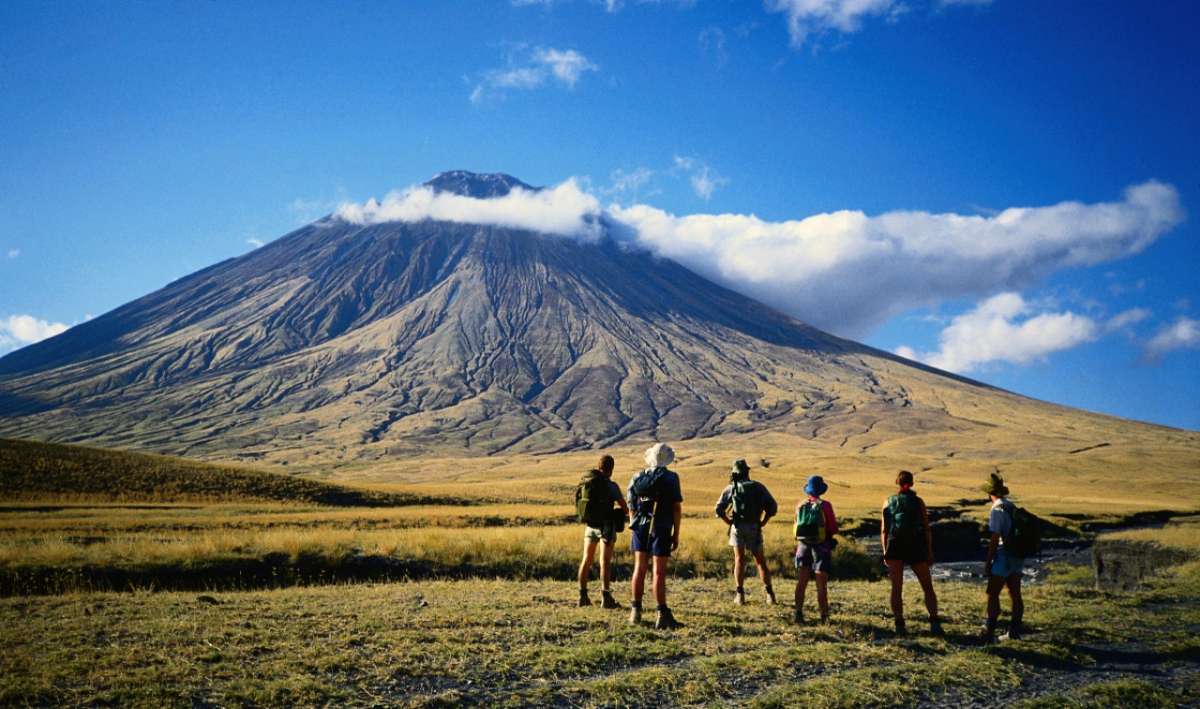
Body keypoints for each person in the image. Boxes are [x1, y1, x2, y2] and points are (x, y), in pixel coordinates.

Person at [628, 442, 684, 630]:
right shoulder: (671, 478)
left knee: (639, 568)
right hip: (661, 528)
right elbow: (676, 508)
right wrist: (676, 534)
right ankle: (661, 614)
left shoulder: (637, 477)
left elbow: (631, 505)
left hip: (640, 528)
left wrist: (636, 525)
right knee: (658, 572)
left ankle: (635, 612)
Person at [881, 470, 944, 636]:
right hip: (915, 544)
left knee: (896, 587)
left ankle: (899, 624)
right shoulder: (918, 502)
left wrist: (885, 551)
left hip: (895, 544)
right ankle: (934, 622)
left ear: (897, 483)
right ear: (912, 483)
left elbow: (884, 530)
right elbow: (926, 528)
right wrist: (929, 551)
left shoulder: (888, 501)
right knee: (927, 586)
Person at [714, 459, 779, 606]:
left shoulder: (731, 488)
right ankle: (770, 595)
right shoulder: (758, 487)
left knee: (739, 560)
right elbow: (773, 507)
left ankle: (740, 595)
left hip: (737, 527)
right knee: (760, 561)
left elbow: (718, 509)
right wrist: (764, 521)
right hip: (755, 527)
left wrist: (728, 521)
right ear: (747, 472)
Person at [576, 454, 630, 609]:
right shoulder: (611, 486)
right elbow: (624, 507)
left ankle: (582, 596)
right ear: (611, 469)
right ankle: (606, 598)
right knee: (604, 562)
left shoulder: (588, 482)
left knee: (586, 559)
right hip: (606, 527)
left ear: (599, 466)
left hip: (590, 525)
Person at [981, 473, 1025, 642]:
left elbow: (995, 537)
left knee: (992, 593)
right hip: (1017, 554)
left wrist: (989, 561)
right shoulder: (1010, 505)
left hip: (1003, 554)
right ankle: (1014, 631)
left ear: (989, 493)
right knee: (1015, 593)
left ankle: (989, 630)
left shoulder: (997, 509)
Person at [793, 474, 838, 624]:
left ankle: (798, 613)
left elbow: (796, 526)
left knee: (801, 582)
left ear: (808, 490)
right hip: (821, 547)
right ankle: (824, 617)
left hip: (803, 546)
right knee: (821, 585)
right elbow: (833, 528)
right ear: (821, 490)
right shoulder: (826, 506)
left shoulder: (800, 505)